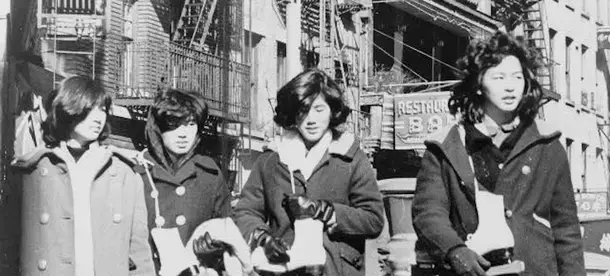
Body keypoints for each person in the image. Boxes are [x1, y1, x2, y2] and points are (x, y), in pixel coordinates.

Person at [411, 32, 585, 276]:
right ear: (479, 84)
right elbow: (428, 213)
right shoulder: (446, 147)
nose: (510, 86)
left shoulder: (547, 146)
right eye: (499, 77)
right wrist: (455, 251)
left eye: (517, 77)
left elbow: (566, 230)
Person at [234, 69, 384, 276]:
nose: (311, 119)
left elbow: (373, 219)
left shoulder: (351, 157)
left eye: (319, 109)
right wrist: (263, 239)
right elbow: (244, 212)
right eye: (303, 111)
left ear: (332, 111)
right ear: (293, 115)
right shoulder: (271, 160)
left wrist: (326, 211)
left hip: (336, 271)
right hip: (284, 269)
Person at [12, 76, 155, 276]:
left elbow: (139, 252)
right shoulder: (30, 171)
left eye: (103, 110)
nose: (99, 118)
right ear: (68, 109)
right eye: (90, 108)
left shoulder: (125, 174)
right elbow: (9, 250)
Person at [132, 89, 250, 275]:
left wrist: (214, 247)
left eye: (190, 124)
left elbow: (228, 227)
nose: (183, 134)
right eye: (174, 125)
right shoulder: (137, 173)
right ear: (158, 127)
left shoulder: (208, 175)